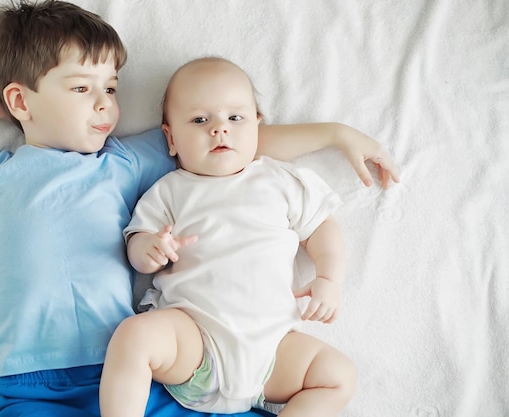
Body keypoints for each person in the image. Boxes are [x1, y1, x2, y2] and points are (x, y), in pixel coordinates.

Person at [0, 1, 397, 417]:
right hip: (31, 378)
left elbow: (232, 140)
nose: (106, 104)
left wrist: (336, 134)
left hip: (130, 373)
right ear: (21, 101)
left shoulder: (124, 161)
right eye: (83, 89)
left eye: (111, 88)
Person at [99, 57, 356, 417]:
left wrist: (330, 279)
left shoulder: (278, 180)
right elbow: (136, 245)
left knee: (338, 376)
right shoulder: (170, 191)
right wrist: (150, 249)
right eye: (200, 120)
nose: (219, 129)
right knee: (134, 336)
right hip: (196, 342)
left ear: (256, 125)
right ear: (171, 138)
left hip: (271, 353)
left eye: (235, 118)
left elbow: (322, 228)